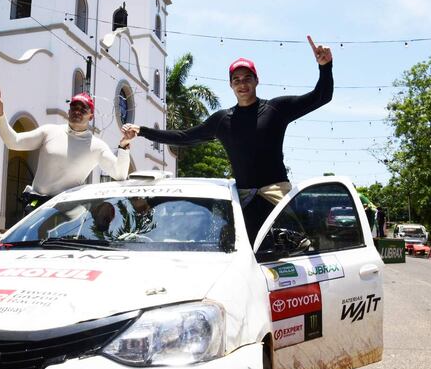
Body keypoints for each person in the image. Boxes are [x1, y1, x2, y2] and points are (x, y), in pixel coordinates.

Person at [123, 36, 333, 243]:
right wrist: (142, 131)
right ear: (231, 85)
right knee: (234, 249)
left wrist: (325, 67)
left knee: (296, 248)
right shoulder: (222, 120)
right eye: (237, 80)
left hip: (277, 197)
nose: (242, 84)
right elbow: (184, 137)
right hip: (243, 202)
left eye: (247, 78)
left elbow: (321, 96)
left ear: (257, 80)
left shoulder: (276, 109)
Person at [0, 87, 134, 213]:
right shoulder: (49, 131)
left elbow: (120, 174)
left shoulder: (97, 146)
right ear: (68, 110)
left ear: (91, 116)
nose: (77, 111)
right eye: (74, 107)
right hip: (36, 209)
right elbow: (13, 142)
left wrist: (124, 146)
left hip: (67, 214)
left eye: (83, 109)